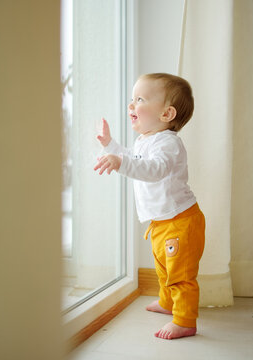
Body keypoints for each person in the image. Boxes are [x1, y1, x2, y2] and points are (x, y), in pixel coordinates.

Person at [93, 73, 205, 340]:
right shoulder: (146, 140)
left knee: (180, 274)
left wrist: (120, 163)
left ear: (167, 113)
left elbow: (154, 170)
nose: (132, 105)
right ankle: (168, 304)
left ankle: (185, 320)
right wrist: (110, 146)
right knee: (164, 268)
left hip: (180, 221)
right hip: (162, 221)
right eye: (132, 99)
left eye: (140, 99)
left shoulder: (168, 144)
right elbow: (133, 157)